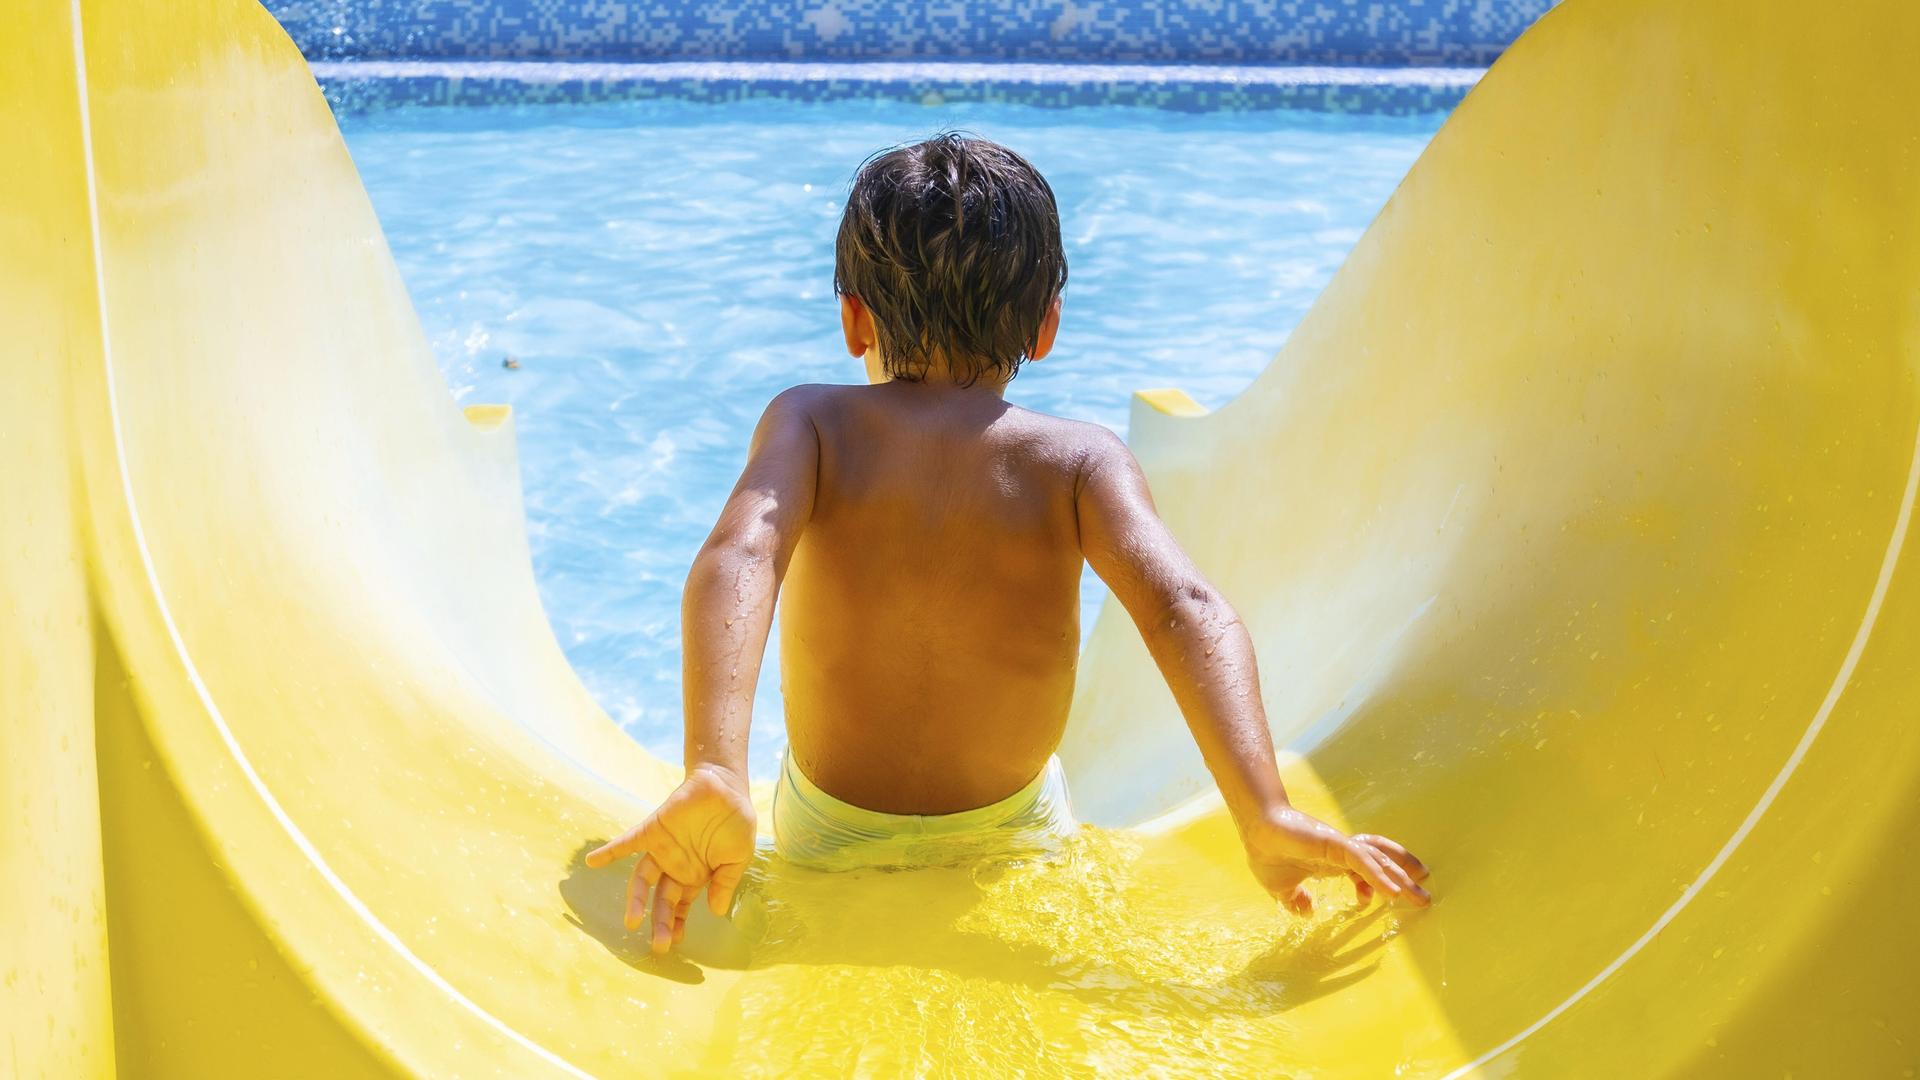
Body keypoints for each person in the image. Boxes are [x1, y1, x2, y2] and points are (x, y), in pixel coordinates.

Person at [586, 132, 1431, 955]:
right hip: (1017, 828)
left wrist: (716, 768)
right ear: (1047, 326)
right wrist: (1263, 811)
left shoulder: (811, 423)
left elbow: (742, 557)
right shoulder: (1078, 460)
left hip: (832, 828)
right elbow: (1184, 610)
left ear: (853, 319)